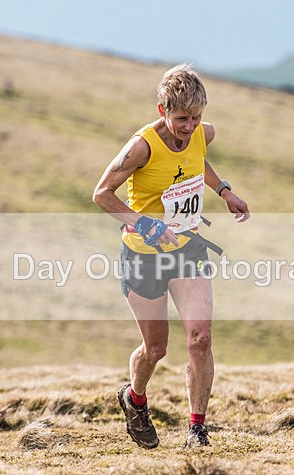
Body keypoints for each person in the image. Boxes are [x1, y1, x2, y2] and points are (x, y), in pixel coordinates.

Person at [92, 64, 250, 448]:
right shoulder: (141, 146)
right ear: (162, 109)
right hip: (143, 256)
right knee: (156, 349)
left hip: (188, 249)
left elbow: (197, 163)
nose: (190, 126)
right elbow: (101, 194)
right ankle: (135, 398)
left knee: (200, 338)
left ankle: (197, 428)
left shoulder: (201, 132)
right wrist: (145, 224)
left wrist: (224, 191)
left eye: (196, 117)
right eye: (181, 118)